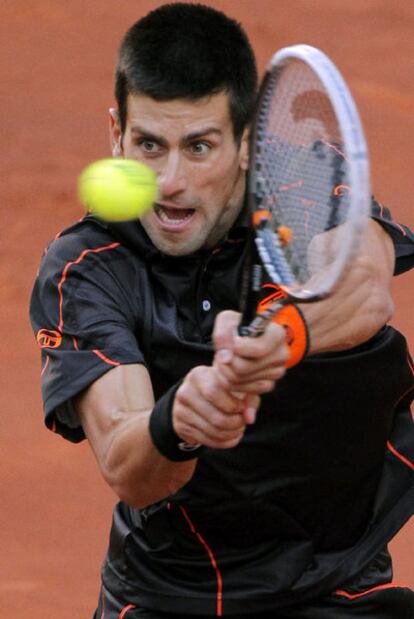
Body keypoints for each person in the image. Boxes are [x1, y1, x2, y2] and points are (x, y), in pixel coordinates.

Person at [30, 4, 414, 618]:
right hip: (171, 592)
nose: (170, 181)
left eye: (199, 147)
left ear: (246, 143)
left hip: (336, 576)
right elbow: (128, 465)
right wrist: (179, 421)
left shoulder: (303, 184)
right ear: (115, 135)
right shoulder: (87, 266)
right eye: (148, 145)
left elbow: (364, 287)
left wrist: (276, 341)